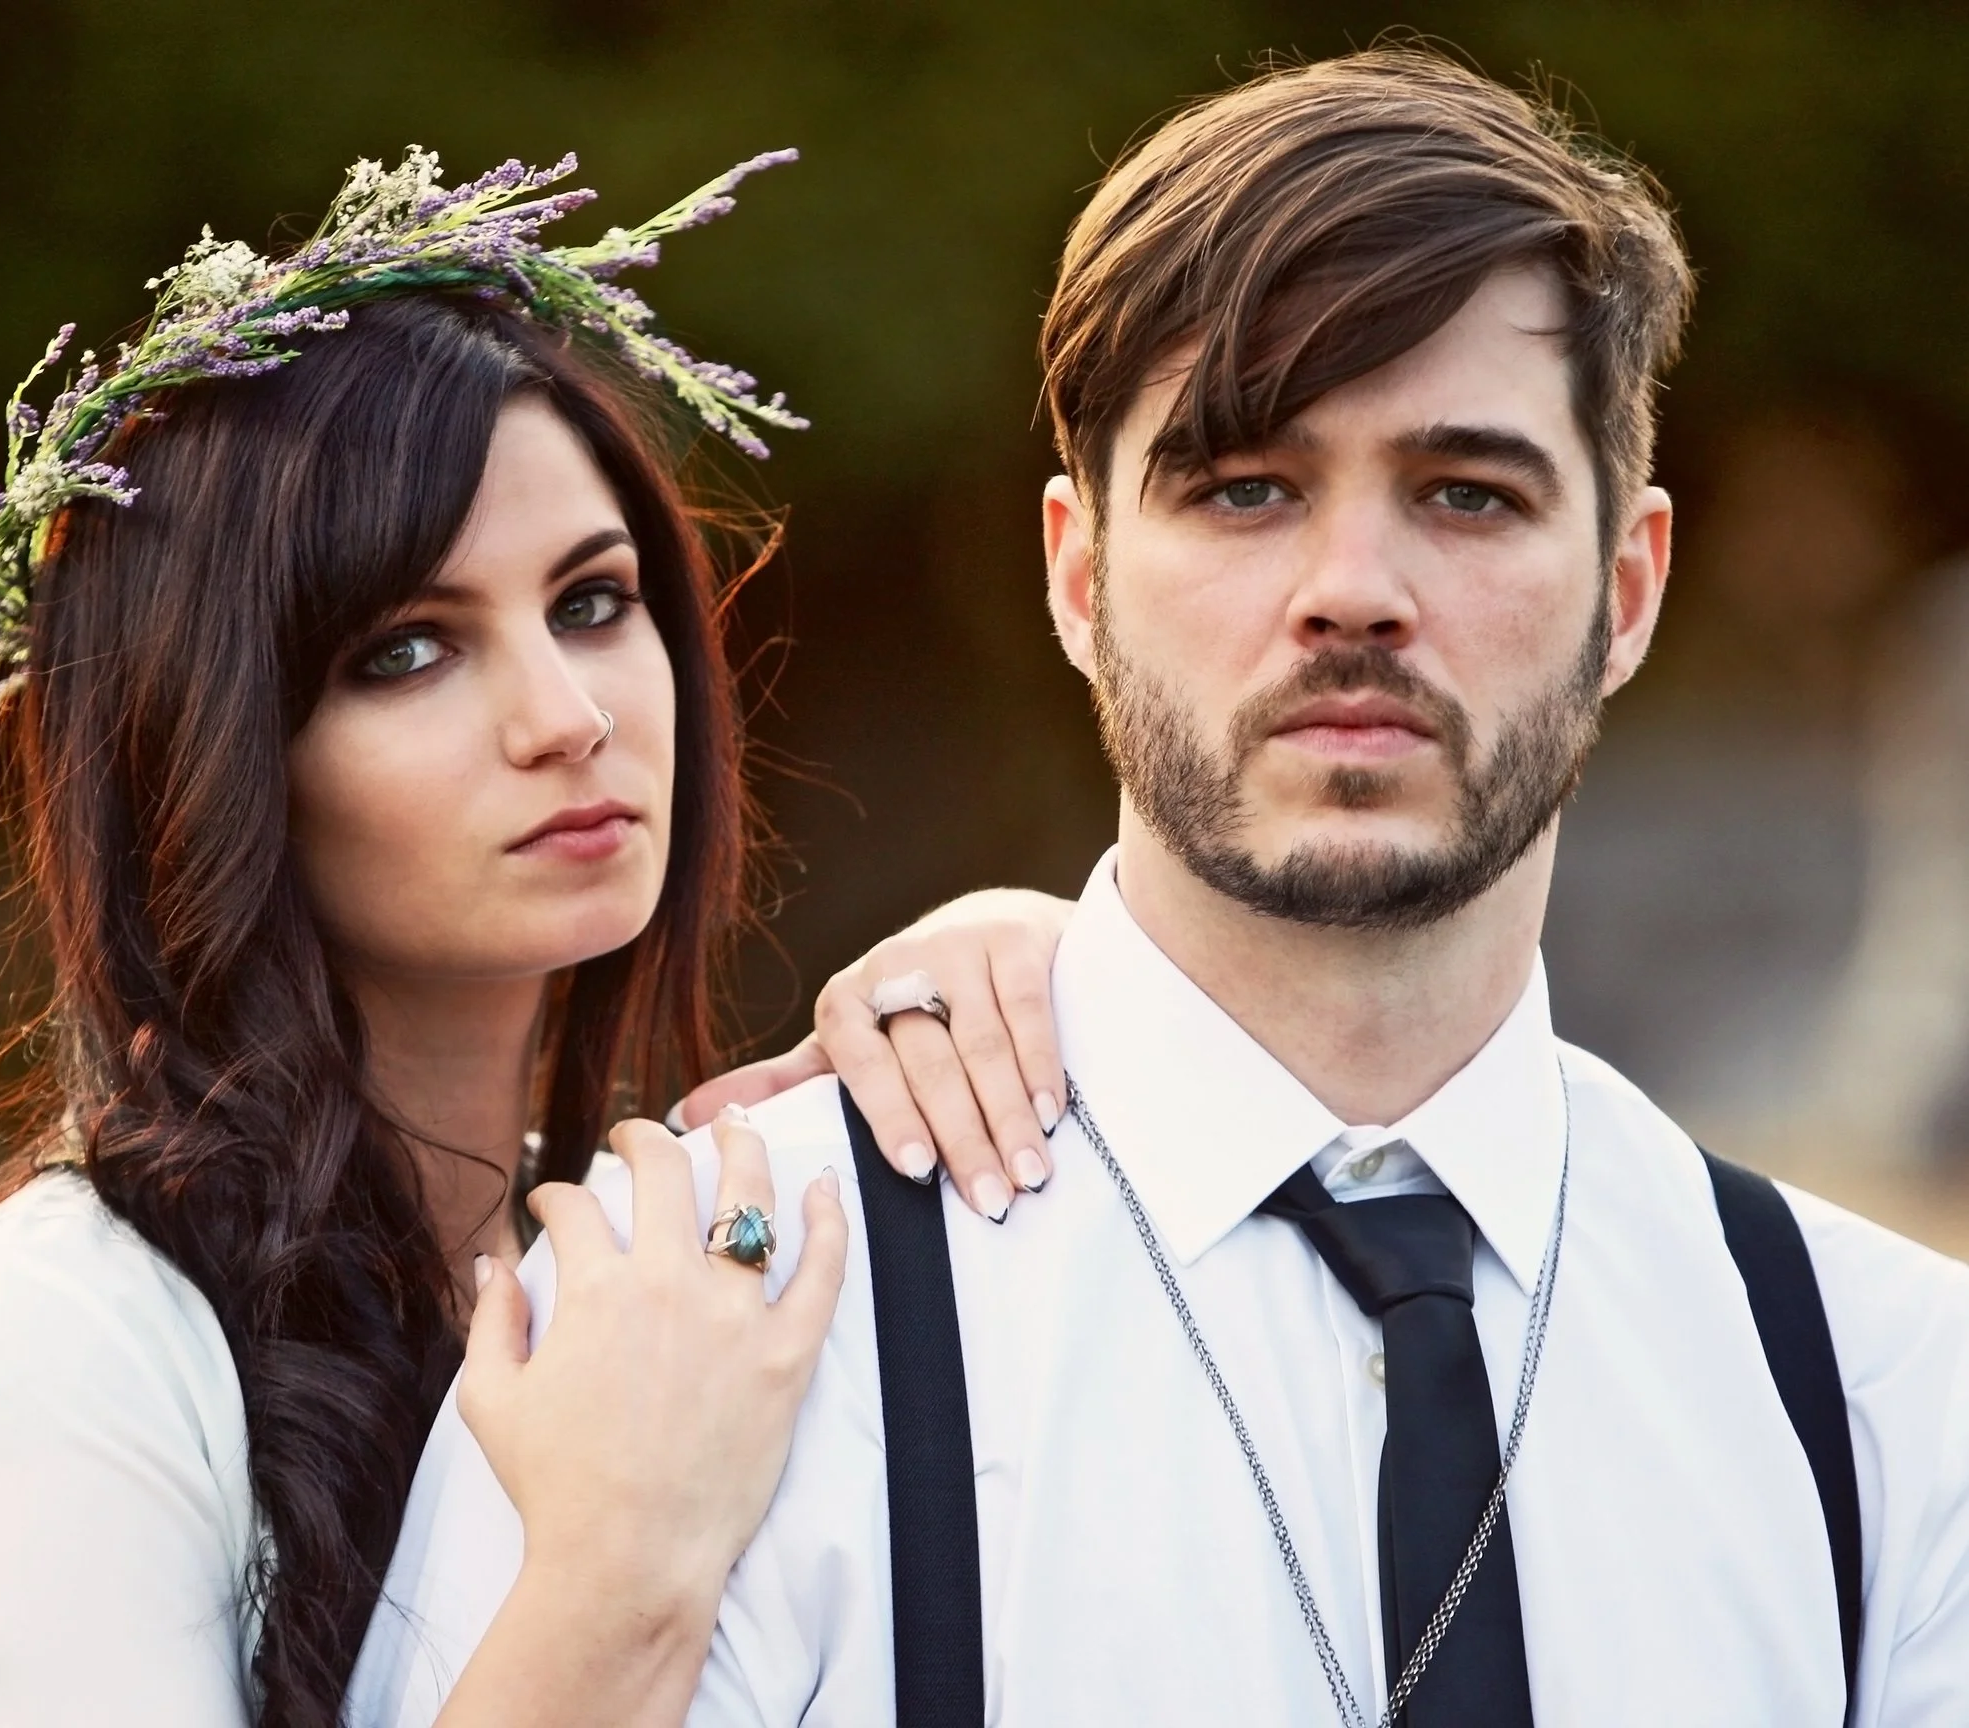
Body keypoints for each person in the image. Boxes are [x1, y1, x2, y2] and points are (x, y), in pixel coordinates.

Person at [354, 52, 1969, 1727]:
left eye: (1467, 495)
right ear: (1079, 576)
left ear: (1626, 591)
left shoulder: (1885, 1397)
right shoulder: (700, 1331)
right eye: (1245, 489)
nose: (1355, 591)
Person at [0, 151, 1077, 1728]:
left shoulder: (637, 1256)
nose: (567, 717)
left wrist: (1049, 975)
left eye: (592, 603)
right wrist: (624, 1569)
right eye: (408, 651)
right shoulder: (63, 1339)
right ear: (210, 754)